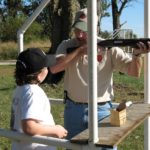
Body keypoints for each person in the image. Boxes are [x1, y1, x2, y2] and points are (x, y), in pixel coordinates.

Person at [55, 8, 150, 150]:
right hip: (73, 109)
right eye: (77, 29)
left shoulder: (109, 47)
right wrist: (81, 51)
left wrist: (137, 55)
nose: (79, 34)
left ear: (95, 29)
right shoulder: (66, 45)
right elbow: (58, 67)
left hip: (102, 110)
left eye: (85, 30)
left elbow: (133, 72)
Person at [11, 48, 68, 150]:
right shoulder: (33, 92)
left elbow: (13, 123)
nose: (48, 69)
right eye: (46, 67)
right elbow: (29, 127)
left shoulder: (19, 90)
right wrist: (55, 130)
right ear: (39, 74)